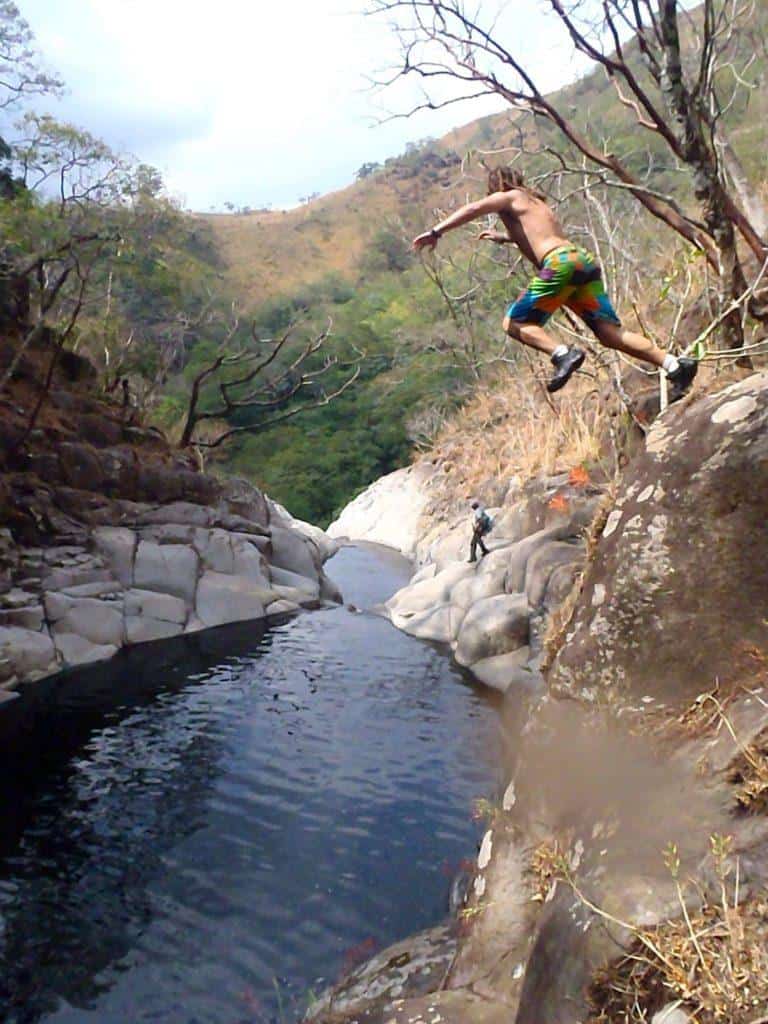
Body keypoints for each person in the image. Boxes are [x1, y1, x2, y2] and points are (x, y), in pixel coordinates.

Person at [412, 166, 698, 397]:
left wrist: (436, 231)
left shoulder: (509, 196)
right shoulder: (537, 204)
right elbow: (538, 236)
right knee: (609, 334)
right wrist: (503, 237)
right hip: (580, 263)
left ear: (497, 187)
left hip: (559, 265)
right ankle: (674, 365)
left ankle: (562, 354)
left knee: (514, 323)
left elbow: (474, 208)